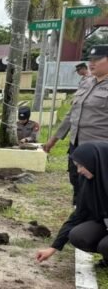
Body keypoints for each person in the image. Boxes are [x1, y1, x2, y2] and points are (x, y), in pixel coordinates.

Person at [43, 45, 108, 202]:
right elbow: (72, 114)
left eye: (98, 59)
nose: (92, 63)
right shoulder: (86, 83)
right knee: (75, 180)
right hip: (77, 144)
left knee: (95, 186)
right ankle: (80, 211)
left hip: (98, 148)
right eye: (91, 60)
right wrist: (54, 139)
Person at [36, 142, 108, 267]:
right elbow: (78, 215)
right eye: (76, 167)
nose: (79, 171)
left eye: (81, 166)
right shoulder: (89, 181)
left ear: (94, 162)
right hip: (105, 223)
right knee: (78, 235)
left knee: (105, 245)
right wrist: (53, 248)